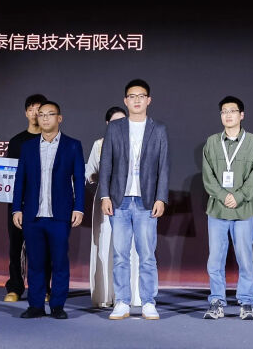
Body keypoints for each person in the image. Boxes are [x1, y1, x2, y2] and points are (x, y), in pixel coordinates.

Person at [99, 79, 169, 321]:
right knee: (120, 255)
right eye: (132, 96)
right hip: (119, 200)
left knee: (147, 255)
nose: (137, 100)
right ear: (125, 100)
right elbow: (106, 163)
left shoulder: (158, 129)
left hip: (146, 201)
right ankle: (122, 301)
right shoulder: (115, 128)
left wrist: (161, 198)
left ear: (148, 100)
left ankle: (148, 301)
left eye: (141, 96)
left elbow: (164, 166)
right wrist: (105, 195)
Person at [11, 101, 85, 319]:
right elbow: (20, 180)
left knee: (59, 261)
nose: (44, 118)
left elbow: (79, 178)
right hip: (33, 214)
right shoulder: (28, 147)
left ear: (59, 118)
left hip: (59, 215)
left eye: (49, 114)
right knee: (35, 262)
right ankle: (35, 305)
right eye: (41, 114)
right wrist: (16, 209)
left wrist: (79, 208)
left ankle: (57, 305)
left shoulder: (73, 145)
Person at [202, 96, 253, 320]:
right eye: (224, 111)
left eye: (232, 111)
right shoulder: (212, 142)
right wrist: (223, 196)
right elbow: (208, 177)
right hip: (218, 209)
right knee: (215, 259)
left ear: (242, 115)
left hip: (244, 209)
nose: (228, 115)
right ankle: (216, 302)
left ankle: (246, 302)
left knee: (245, 258)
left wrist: (237, 197)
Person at [85, 106, 141, 308]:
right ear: (108, 124)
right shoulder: (99, 145)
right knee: (105, 244)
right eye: (115, 122)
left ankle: (129, 295)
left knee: (129, 246)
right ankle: (105, 295)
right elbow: (89, 174)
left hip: (130, 200)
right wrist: (99, 175)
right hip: (106, 199)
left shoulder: (136, 143)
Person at [0, 93, 47, 303]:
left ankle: (42, 288)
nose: (35, 113)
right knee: (15, 247)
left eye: (39, 109)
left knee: (43, 248)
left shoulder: (51, 138)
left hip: (44, 202)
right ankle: (15, 287)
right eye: (31, 109)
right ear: (26, 113)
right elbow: (8, 174)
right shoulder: (16, 142)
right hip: (17, 203)